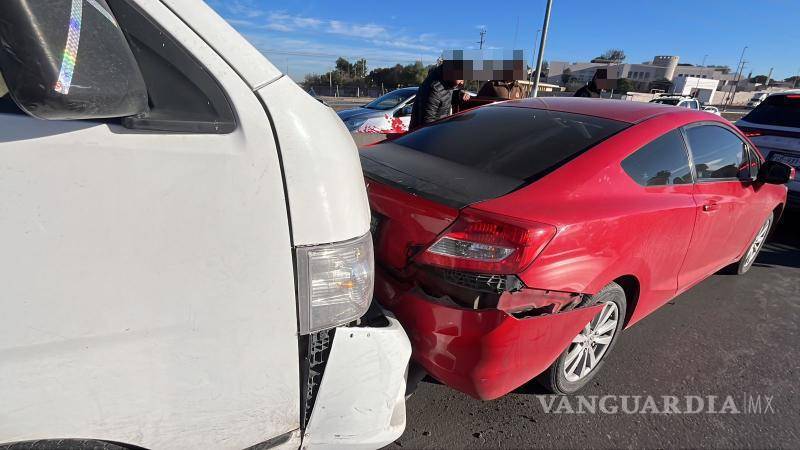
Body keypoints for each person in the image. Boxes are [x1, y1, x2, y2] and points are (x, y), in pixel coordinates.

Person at [409, 64, 469, 130]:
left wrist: (458, 95)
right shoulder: (434, 88)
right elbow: (427, 124)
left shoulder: (446, 82)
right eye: (461, 78)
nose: (462, 83)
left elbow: (442, 98)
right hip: (425, 136)